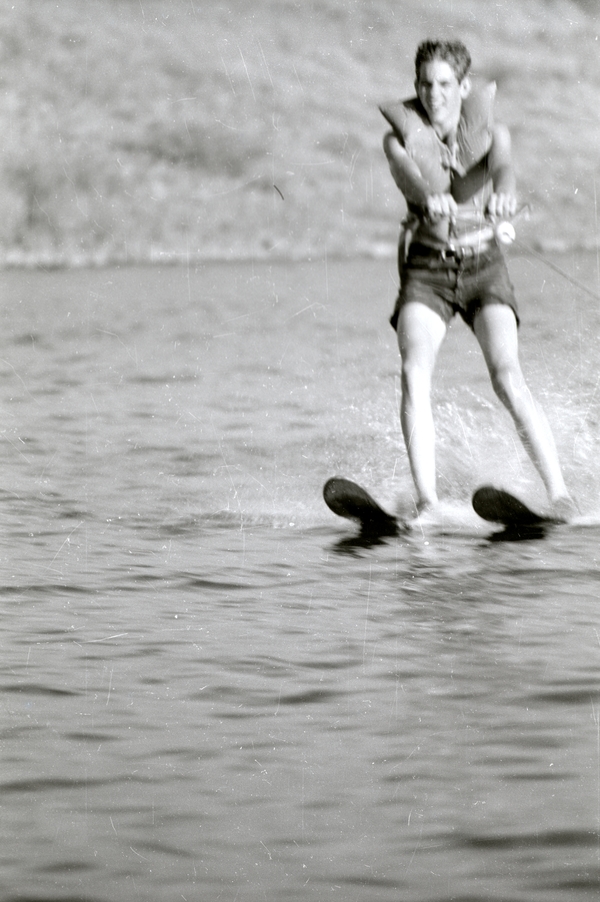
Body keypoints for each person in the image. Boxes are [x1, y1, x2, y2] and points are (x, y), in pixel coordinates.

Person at [380, 39, 574, 519]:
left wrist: (504, 195)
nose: (434, 94)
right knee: (413, 372)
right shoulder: (397, 139)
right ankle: (427, 504)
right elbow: (407, 174)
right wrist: (429, 195)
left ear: (464, 87)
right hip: (428, 270)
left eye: (445, 84)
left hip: (484, 267)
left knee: (507, 376)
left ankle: (560, 496)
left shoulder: (494, 133)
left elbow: (503, 170)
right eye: (425, 84)